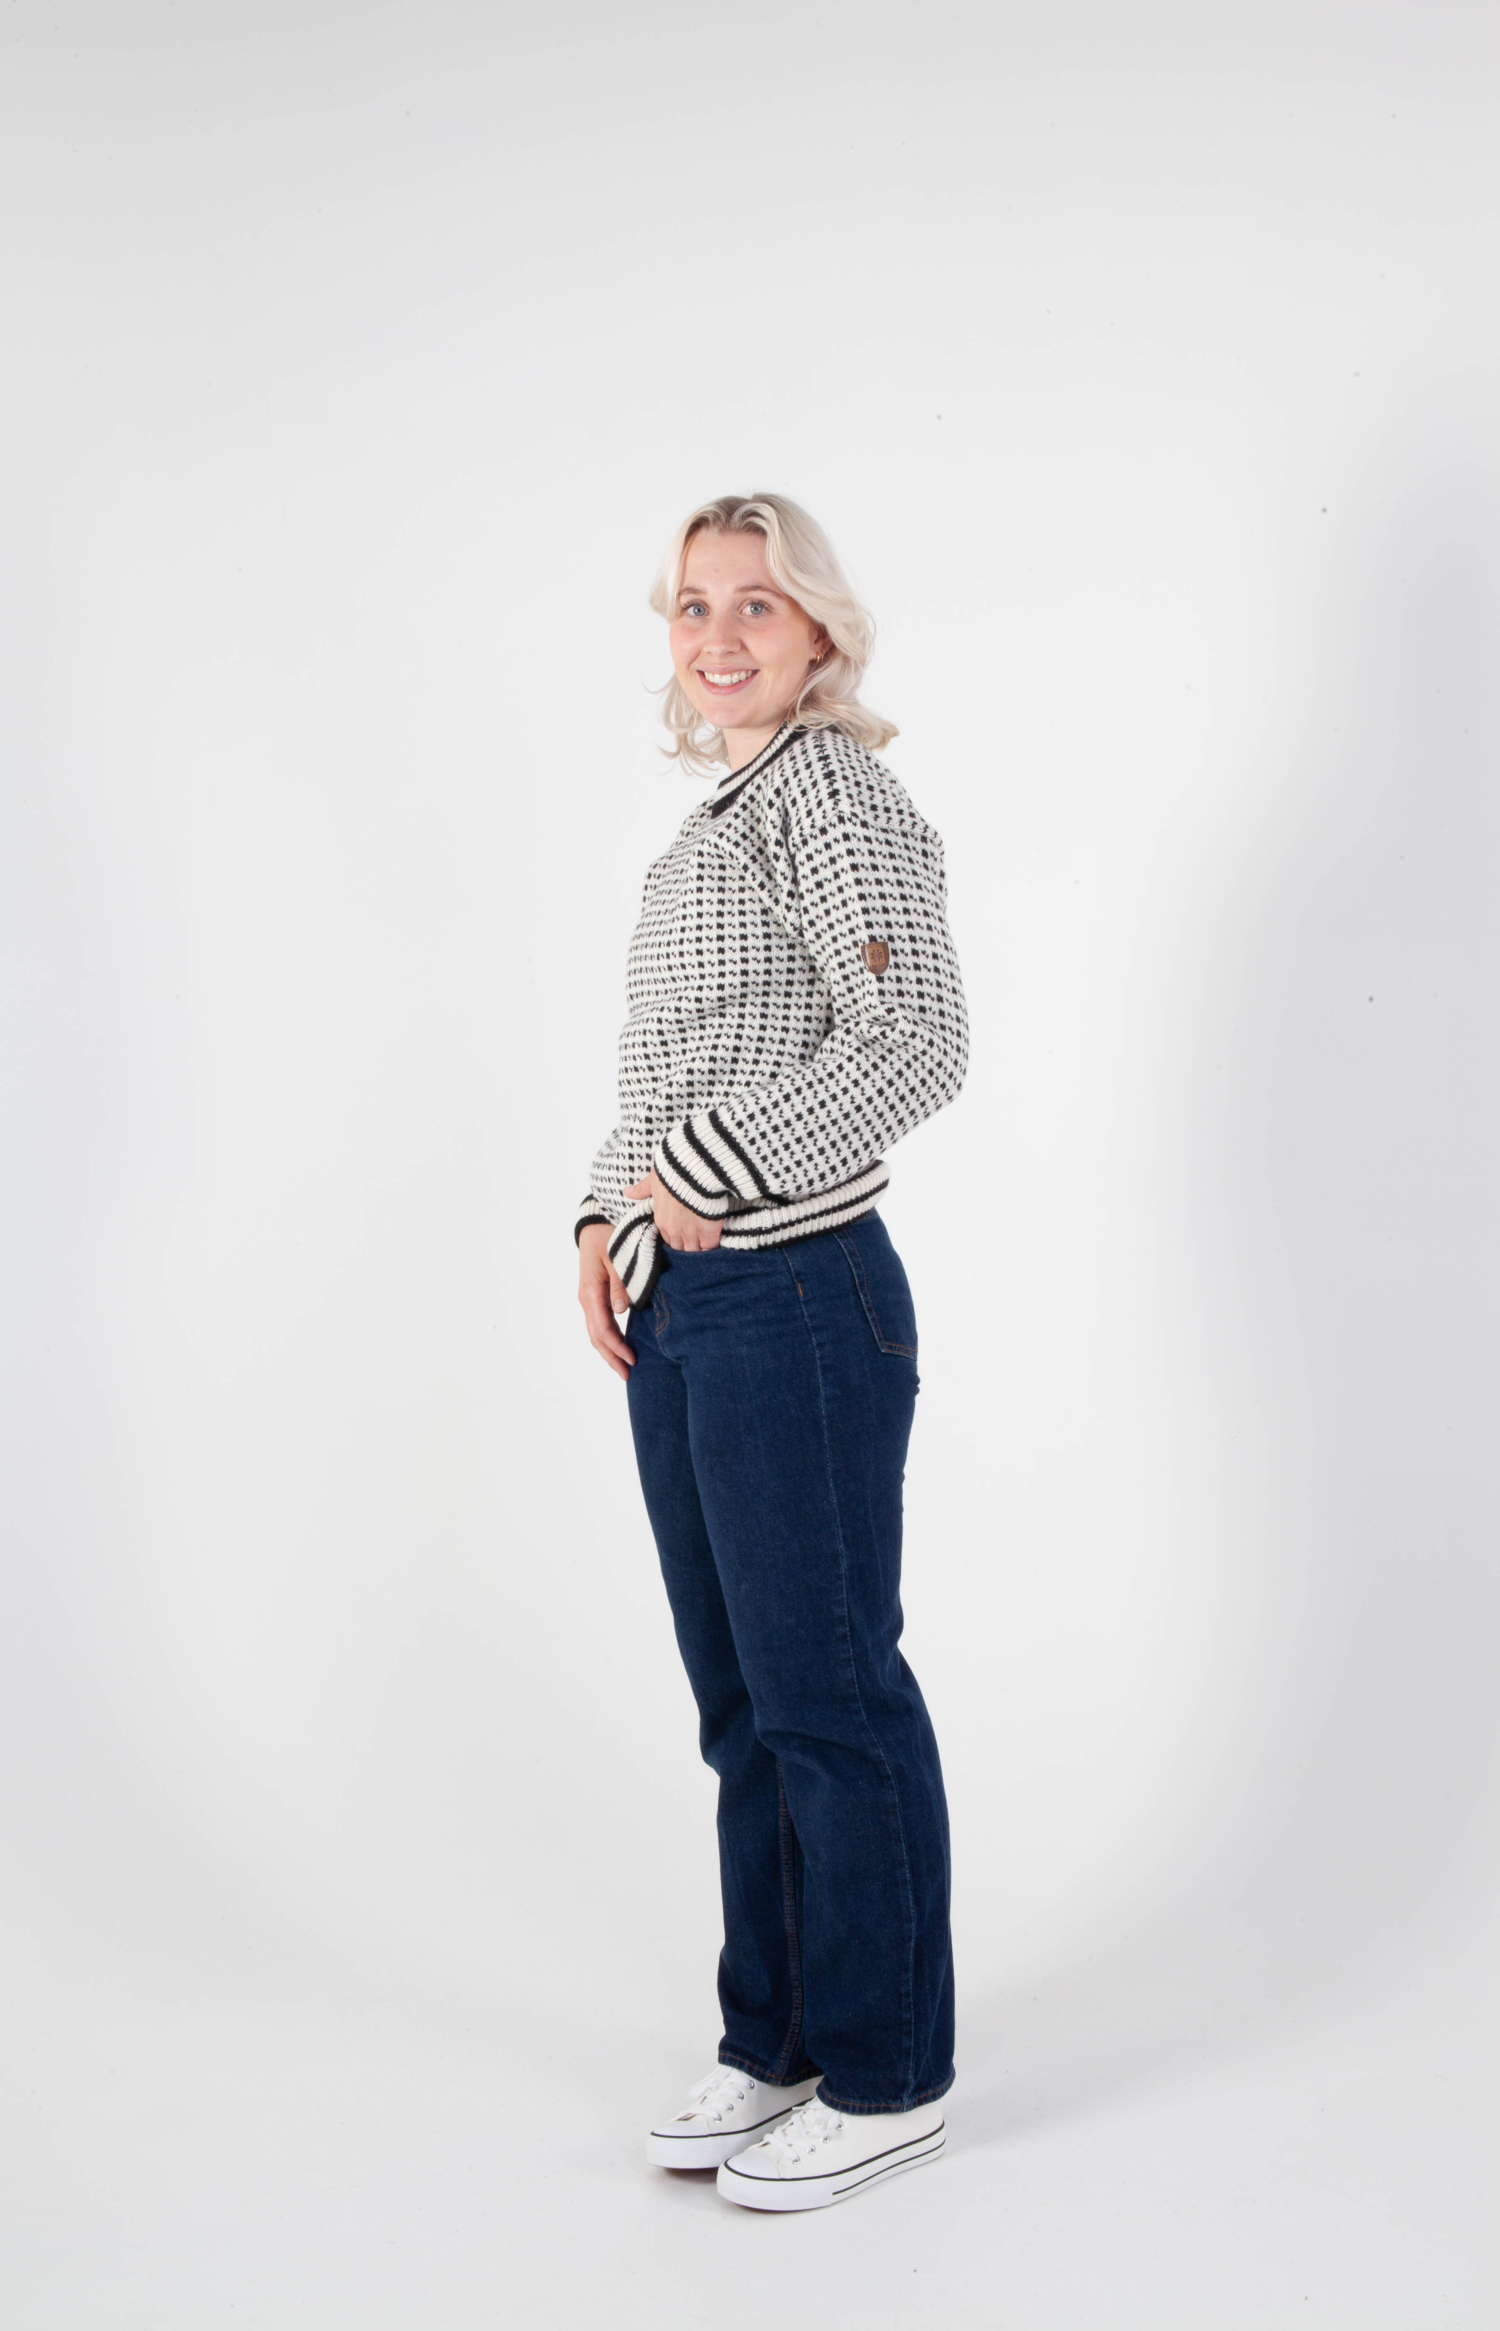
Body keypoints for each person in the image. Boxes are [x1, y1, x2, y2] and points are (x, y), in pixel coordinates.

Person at [575, 494, 968, 2212]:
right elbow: (668, 1065)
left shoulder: (835, 794)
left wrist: (705, 1173)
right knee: (744, 1706)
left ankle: (889, 2075)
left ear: (819, 630)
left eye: (755, 603)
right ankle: (780, 2037)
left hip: (801, 1294)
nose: (719, 636)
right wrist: (604, 1216)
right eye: (691, 606)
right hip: (692, 1303)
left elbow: (920, 1039)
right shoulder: (711, 824)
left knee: (829, 1691)